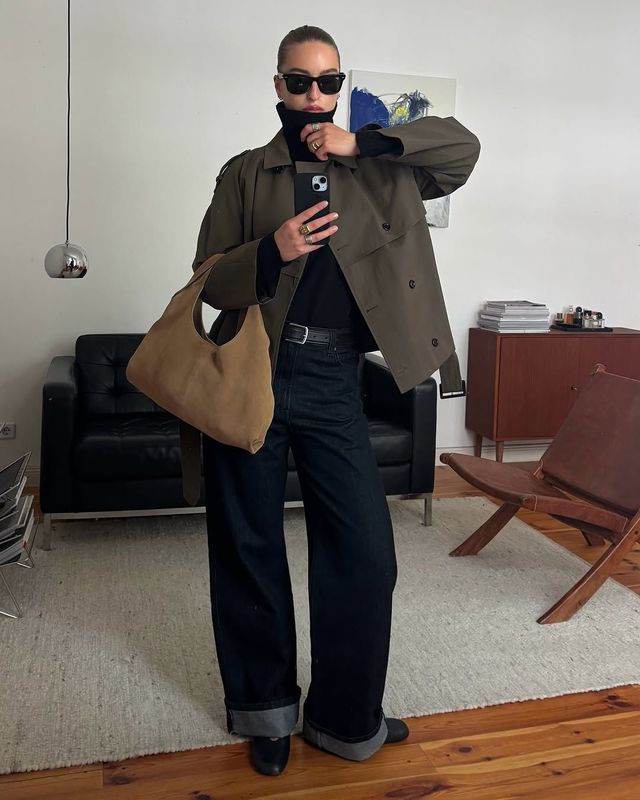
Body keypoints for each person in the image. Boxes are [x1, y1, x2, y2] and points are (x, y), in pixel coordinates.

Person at [190, 25, 480, 776]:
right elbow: (208, 281)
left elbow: (462, 149)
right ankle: (266, 713)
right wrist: (271, 250)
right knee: (249, 544)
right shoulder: (245, 173)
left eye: (328, 81)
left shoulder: (382, 169)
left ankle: (346, 717)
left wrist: (364, 143)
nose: (313, 95)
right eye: (299, 81)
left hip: (335, 377)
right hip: (255, 368)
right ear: (278, 86)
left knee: (364, 554)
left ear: (340, 86)